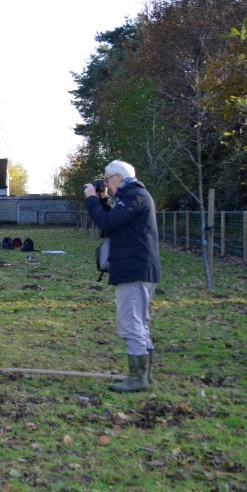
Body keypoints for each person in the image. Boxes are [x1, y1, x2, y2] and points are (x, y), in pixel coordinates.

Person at [84, 160, 160, 393]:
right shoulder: (134, 197)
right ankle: (144, 375)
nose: (105, 184)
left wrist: (91, 199)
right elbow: (113, 224)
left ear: (117, 177)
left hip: (133, 269)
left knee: (130, 322)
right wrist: (104, 200)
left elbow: (106, 221)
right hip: (138, 268)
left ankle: (138, 377)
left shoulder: (134, 195)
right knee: (140, 321)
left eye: (107, 180)